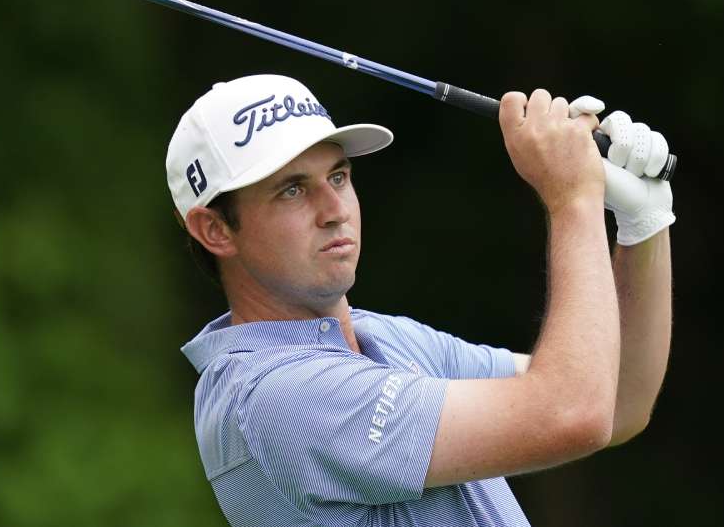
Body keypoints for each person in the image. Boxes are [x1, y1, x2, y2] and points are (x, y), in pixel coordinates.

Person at [165, 74, 674, 526]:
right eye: (292, 191)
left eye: (338, 176)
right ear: (215, 229)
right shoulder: (274, 396)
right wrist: (573, 200)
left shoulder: (383, 338)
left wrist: (643, 226)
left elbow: (616, 401)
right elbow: (571, 413)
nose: (335, 209)